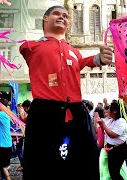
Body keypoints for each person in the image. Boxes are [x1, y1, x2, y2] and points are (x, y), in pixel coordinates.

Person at [19, 5, 113, 180]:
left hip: (76, 110)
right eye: (56, 14)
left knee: (85, 158)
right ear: (45, 19)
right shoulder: (31, 47)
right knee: (43, 162)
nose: (62, 17)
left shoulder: (74, 52)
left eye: (65, 16)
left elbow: (82, 61)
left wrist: (99, 59)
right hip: (46, 111)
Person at [96, 101, 127, 180]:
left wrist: (103, 124)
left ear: (115, 111)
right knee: (112, 172)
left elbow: (112, 135)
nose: (107, 111)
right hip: (112, 148)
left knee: (115, 172)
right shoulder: (111, 120)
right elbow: (102, 130)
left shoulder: (121, 121)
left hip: (119, 149)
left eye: (110, 109)